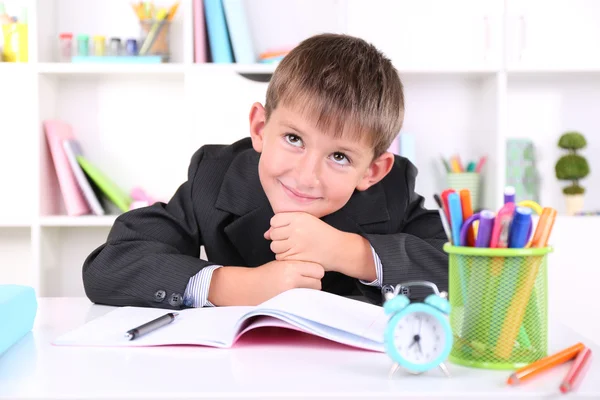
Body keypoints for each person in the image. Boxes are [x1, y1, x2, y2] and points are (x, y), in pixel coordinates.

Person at [82, 33, 448, 310]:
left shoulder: (390, 192)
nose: (306, 176)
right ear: (259, 128)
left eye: (339, 157)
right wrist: (230, 285)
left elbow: (466, 272)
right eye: (293, 138)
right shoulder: (215, 177)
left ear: (372, 170)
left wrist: (351, 252)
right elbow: (110, 265)